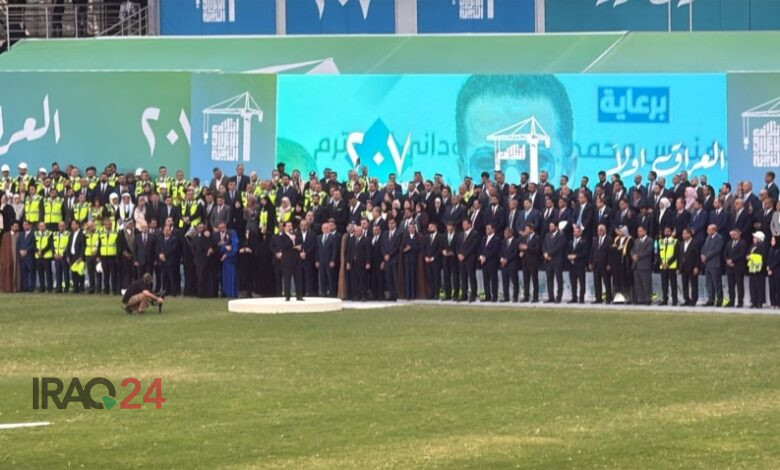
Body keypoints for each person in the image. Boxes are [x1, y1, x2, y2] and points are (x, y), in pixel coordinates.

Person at [277, 221, 303, 301]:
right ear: (285, 228)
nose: (290, 227)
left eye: (291, 226)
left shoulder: (296, 234)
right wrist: (293, 243)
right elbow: (283, 246)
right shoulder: (282, 236)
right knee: (287, 279)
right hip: (287, 261)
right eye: (288, 226)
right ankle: (287, 296)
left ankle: (299, 296)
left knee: (298, 279)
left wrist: (300, 247)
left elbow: (301, 243)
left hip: (296, 260)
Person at [701, 224, 724, 307]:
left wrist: (706, 256)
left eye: (709, 230)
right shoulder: (708, 238)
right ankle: (711, 299)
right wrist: (702, 255)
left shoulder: (719, 238)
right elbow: (704, 247)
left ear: (714, 230)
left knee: (717, 283)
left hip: (715, 263)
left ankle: (719, 300)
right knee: (709, 283)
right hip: (707, 264)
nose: (707, 231)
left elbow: (717, 250)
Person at [542, 221, 566, 303]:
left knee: (559, 279)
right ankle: (550, 297)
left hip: (557, 260)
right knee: (549, 279)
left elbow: (558, 247)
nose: (550, 228)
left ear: (556, 227)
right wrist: (545, 253)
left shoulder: (561, 235)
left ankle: (558, 297)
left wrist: (549, 254)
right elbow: (544, 246)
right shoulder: (547, 235)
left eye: (552, 226)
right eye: (550, 226)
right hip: (548, 261)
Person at [724, 228, 748, 308]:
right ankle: (731, 301)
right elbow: (725, 253)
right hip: (729, 267)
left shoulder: (743, 243)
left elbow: (741, 254)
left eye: (735, 234)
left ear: (739, 234)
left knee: (739, 285)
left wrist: (732, 260)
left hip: (738, 267)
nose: (733, 236)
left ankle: (740, 301)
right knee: (731, 285)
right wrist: (727, 260)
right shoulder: (729, 243)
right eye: (732, 234)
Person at [346, 224, 371, 301]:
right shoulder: (352, 240)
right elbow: (349, 251)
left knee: (362, 280)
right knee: (354, 280)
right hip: (353, 263)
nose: (355, 233)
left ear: (361, 232)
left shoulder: (366, 240)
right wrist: (348, 262)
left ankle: (363, 295)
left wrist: (368, 262)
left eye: (356, 231)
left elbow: (368, 252)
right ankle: (355, 295)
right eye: (355, 231)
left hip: (362, 264)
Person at [457, 218, 479, 302]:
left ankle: (473, 295)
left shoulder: (474, 233)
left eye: (465, 224)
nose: (463, 225)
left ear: (470, 224)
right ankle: (464, 295)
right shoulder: (461, 234)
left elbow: (473, 246)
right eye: (463, 224)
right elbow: (458, 245)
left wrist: (464, 255)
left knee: (471, 277)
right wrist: (459, 254)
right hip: (461, 259)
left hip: (470, 258)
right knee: (463, 278)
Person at [678, 228, 701, 306]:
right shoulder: (681, 244)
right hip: (683, 267)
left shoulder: (695, 243)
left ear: (689, 234)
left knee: (693, 284)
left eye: (685, 233)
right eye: (683, 234)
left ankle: (694, 300)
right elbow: (680, 256)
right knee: (685, 284)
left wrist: (697, 267)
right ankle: (686, 299)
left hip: (692, 267)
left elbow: (698, 256)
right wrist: (679, 267)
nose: (683, 235)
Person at [214, 222, 238, 298]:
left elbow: (234, 246)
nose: (222, 229)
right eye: (220, 228)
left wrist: (227, 254)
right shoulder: (215, 235)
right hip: (219, 260)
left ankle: (231, 294)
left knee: (230, 277)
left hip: (230, 260)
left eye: (223, 227)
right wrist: (224, 246)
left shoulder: (232, 233)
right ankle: (223, 293)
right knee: (222, 278)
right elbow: (215, 248)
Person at [631, 225, 653, 305]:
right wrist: (633, 255)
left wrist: (638, 256)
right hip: (636, 265)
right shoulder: (636, 241)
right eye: (638, 231)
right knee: (638, 284)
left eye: (640, 231)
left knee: (646, 283)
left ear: (645, 231)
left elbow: (649, 251)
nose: (638, 233)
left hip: (644, 265)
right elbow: (632, 250)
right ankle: (640, 299)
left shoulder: (649, 240)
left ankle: (648, 299)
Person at [589, 223, 612, 304]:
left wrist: (609, 264)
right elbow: (592, 252)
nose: (600, 231)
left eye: (601, 230)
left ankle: (608, 298)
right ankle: (598, 298)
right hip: (596, 264)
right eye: (598, 230)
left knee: (607, 282)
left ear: (605, 230)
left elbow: (610, 253)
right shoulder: (595, 239)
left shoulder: (609, 239)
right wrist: (590, 262)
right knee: (597, 282)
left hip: (605, 264)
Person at [657, 225, 679, 306]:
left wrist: (668, 263)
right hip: (662, 266)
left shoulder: (675, 241)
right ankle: (665, 299)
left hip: (671, 266)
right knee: (664, 284)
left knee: (673, 284)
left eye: (668, 231)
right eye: (665, 231)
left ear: (671, 232)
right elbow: (657, 254)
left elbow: (676, 254)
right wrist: (661, 263)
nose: (666, 232)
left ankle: (674, 300)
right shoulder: (660, 241)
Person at [316, 221, 338, 297]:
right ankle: (324, 293)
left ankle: (332, 293)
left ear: (329, 228)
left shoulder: (333, 237)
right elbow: (317, 250)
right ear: (322, 229)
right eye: (324, 228)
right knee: (322, 277)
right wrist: (317, 260)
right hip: (321, 261)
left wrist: (333, 260)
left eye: (327, 228)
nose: (325, 229)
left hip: (329, 261)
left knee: (330, 278)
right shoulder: (319, 237)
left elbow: (335, 250)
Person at [381, 218, 402, 301]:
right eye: (389, 223)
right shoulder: (385, 233)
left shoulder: (399, 233)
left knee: (395, 278)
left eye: (392, 223)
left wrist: (389, 255)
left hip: (394, 258)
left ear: (395, 224)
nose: (390, 225)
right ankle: (391, 294)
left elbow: (397, 247)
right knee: (388, 278)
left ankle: (396, 295)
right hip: (386, 260)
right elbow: (382, 246)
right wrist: (385, 255)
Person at [98, 217, 120, 295]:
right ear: (104, 225)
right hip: (104, 256)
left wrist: (117, 256)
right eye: (106, 224)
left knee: (113, 274)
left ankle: (114, 290)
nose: (108, 226)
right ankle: (106, 290)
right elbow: (99, 245)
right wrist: (98, 256)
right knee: (106, 274)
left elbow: (118, 245)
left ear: (111, 225)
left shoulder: (115, 233)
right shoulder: (101, 233)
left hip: (112, 255)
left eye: (109, 224)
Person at [520, 223, 541, 302]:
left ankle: (535, 297)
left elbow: (537, 250)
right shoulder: (525, 237)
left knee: (534, 280)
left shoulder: (537, 238)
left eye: (527, 229)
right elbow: (522, 247)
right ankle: (526, 296)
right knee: (526, 280)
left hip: (533, 262)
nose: (525, 230)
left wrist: (527, 247)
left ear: (531, 229)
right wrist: (522, 251)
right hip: (525, 261)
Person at [157, 225, 181, 296]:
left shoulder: (174, 239)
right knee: (164, 277)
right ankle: (165, 291)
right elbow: (157, 248)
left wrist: (164, 255)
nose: (166, 232)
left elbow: (173, 249)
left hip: (170, 261)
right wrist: (160, 255)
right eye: (165, 230)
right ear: (163, 231)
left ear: (170, 231)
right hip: (162, 261)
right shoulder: (160, 239)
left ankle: (173, 292)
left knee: (172, 277)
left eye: (168, 230)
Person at [478, 223, 500, 302]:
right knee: (486, 280)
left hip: (492, 262)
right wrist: (481, 256)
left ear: (493, 229)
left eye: (488, 228)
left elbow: (494, 250)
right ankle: (487, 296)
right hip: (484, 263)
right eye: (486, 228)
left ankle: (495, 296)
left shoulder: (496, 239)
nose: (486, 230)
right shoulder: (484, 238)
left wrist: (485, 257)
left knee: (493, 280)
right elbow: (480, 249)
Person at [567, 225, 588, 303]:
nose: (575, 233)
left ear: (580, 233)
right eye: (574, 232)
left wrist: (576, 256)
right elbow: (567, 251)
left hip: (580, 265)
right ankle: (574, 298)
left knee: (582, 282)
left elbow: (585, 253)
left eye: (577, 232)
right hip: (572, 265)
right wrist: (568, 256)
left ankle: (581, 298)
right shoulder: (571, 242)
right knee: (573, 283)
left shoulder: (584, 242)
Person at [422, 222, 443, 300]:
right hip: (427, 260)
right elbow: (423, 248)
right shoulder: (426, 237)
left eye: (431, 227)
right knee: (430, 277)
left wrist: (433, 257)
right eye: (429, 227)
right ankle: (432, 293)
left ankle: (437, 293)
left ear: (435, 227)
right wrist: (425, 256)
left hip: (436, 260)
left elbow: (440, 249)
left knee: (436, 277)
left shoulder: (440, 236)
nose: (430, 228)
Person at [747, 231, 768, 309]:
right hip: (752, 269)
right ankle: (753, 301)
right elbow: (749, 253)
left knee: (759, 286)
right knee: (752, 286)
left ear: (759, 238)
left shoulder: (763, 246)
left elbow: (762, 256)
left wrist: (751, 257)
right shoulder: (752, 246)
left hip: (759, 269)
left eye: (755, 237)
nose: (753, 239)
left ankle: (759, 302)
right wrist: (749, 257)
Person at [499, 226, 520, 302]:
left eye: (506, 233)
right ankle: (506, 297)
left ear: (510, 233)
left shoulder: (516, 242)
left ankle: (515, 297)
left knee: (515, 282)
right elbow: (500, 252)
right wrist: (502, 259)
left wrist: (507, 260)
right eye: (504, 233)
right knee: (505, 282)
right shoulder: (503, 242)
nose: (504, 234)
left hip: (512, 264)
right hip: (504, 265)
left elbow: (515, 253)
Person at [441, 222, 459, 301]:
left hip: (454, 260)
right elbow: (441, 246)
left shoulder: (458, 236)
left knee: (455, 278)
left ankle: (456, 295)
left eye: (450, 226)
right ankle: (447, 295)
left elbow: (459, 246)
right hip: (445, 260)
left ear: (453, 227)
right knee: (446, 278)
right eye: (448, 226)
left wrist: (453, 253)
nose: (449, 228)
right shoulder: (444, 236)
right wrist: (443, 251)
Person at [0, 220, 20, 292]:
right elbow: (3, 247)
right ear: (11, 227)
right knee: (8, 271)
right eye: (15, 226)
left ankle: (16, 288)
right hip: (8, 257)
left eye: (17, 227)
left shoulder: (19, 235)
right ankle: (8, 287)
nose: (16, 228)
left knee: (17, 272)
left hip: (17, 258)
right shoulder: (6, 235)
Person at [34, 221, 53, 293]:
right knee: (40, 273)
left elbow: (49, 245)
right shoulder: (36, 233)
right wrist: (37, 251)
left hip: (46, 256)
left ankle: (49, 288)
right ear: (38, 227)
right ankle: (42, 288)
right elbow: (34, 244)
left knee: (48, 273)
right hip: (38, 256)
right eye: (40, 226)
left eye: (43, 226)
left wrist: (42, 252)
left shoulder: (49, 233)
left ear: (45, 226)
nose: (41, 227)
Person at [402, 223, 420, 300]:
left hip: (414, 259)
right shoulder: (405, 237)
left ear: (415, 229)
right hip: (406, 259)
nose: (411, 229)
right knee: (407, 277)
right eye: (410, 228)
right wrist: (405, 249)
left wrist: (411, 248)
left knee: (413, 276)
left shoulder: (417, 237)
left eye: (413, 228)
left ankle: (413, 294)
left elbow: (419, 247)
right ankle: (408, 295)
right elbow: (402, 248)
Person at [67, 220, 86, 294]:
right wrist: (68, 256)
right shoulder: (71, 234)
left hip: (79, 256)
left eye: (73, 224)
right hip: (72, 255)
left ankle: (81, 288)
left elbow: (83, 246)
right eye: (72, 224)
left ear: (78, 225)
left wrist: (81, 257)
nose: (72, 226)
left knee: (80, 273)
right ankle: (75, 288)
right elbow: (68, 245)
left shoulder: (82, 234)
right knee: (73, 273)